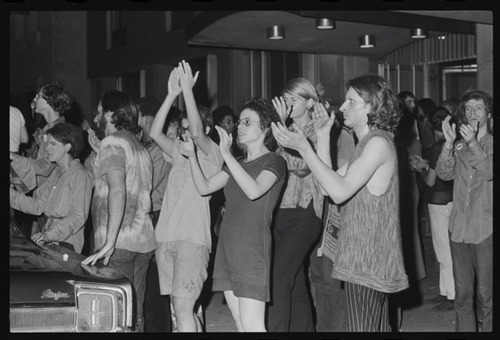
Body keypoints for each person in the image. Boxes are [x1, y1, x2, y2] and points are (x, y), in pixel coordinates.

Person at [271, 74, 409, 332]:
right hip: (362, 258)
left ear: (370, 105)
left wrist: (305, 148)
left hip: (368, 260)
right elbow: (327, 185)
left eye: (350, 101)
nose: (342, 107)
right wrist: (322, 137)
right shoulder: (366, 144)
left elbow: (339, 193)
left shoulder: (378, 143)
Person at [186, 97, 286, 332]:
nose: (239, 127)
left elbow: (254, 191)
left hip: (252, 250)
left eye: (247, 122)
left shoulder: (274, 161)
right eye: (239, 122)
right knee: (241, 325)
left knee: (253, 325)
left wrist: (227, 155)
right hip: (227, 248)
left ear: (265, 127)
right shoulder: (237, 162)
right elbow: (204, 188)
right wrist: (191, 157)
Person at [149, 61, 224, 332]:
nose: (183, 133)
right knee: (180, 310)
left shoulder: (212, 152)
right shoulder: (178, 154)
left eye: (187, 127)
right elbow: (155, 133)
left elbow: (196, 131)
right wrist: (171, 94)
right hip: (167, 238)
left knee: (182, 309)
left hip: (193, 241)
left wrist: (188, 92)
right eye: (180, 128)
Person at [81, 90, 157, 333]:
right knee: (134, 312)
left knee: (114, 316)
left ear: (112, 114)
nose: (96, 118)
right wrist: (97, 151)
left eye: (100, 112)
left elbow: (117, 190)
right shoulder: (139, 147)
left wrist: (109, 243)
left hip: (118, 242)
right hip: (141, 241)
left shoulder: (112, 143)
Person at [266, 78, 325, 332]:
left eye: (294, 99)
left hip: (306, 211)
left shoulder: (318, 129)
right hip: (281, 210)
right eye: (285, 98)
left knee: (278, 278)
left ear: (310, 102)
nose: (288, 103)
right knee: (294, 278)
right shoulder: (284, 129)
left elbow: (301, 167)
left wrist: (280, 128)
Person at [435, 89, 493, 332]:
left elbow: (489, 173)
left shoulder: (491, 143)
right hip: (458, 228)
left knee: (486, 294)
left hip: (485, 228)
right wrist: (448, 145)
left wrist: (473, 143)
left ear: (488, 114)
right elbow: (443, 173)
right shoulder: (458, 145)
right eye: (468, 109)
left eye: (477, 108)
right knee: (463, 293)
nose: (472, 113)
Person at [10, 123, 92, 253]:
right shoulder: (56, 173)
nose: (46, 148)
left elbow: (77, 216)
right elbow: (37, 206)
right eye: (47, 143)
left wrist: (49, 235)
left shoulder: (80, 175)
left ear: (67, 147)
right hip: (49, 239)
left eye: (52, 144)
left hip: (67, 244)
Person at [308, 118, 355, 332]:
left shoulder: (347, 138)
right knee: (320, 279)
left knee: (332, 283)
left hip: (339, 217)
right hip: (320, 214)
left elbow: (333, 184)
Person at [410, 106, 455, 311]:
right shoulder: (453, 145)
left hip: (438, 202)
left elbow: (430, 182)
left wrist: (421, 169)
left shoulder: (436, 149)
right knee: (448, 249)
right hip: (452, 201)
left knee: (443, 251)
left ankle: (451, 295)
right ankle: (446, 291)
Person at [10, 83, 74, 192]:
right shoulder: (45, 129)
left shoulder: (60, 131)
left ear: (49, 101)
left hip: (52, 193)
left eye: (38, 96)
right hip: (41, 191)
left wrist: (14, 157)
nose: (34, 99)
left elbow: (45, 168)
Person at [136, 96, 172, 226]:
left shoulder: (162, 148)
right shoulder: (141, 144)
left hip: (156, 214)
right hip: (141, 210)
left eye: (136, 115)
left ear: (148, 119)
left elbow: (147, 183)